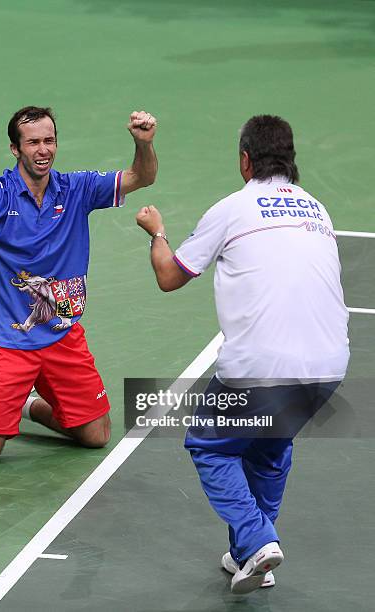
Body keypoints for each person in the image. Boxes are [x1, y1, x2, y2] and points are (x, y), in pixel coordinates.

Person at [135, 115, 349, 594]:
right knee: (270, 449)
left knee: (210, 446)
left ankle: (255, 539)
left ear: (245, 160)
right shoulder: (319, 209)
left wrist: (156, 231)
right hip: (329, 365)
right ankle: (250, 557)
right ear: (291, 160)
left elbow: (170, 276)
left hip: (260, 367)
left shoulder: (233, 209)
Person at [0, 106, 158, 463]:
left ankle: (20, 405)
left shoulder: (76, 188)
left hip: (61, 331)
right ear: (15, 149)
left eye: (49, 140)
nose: (43, 149)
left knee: (96, 434)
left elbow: (141, 177)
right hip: (8, 339)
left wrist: (143, 143)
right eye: (33, 142)